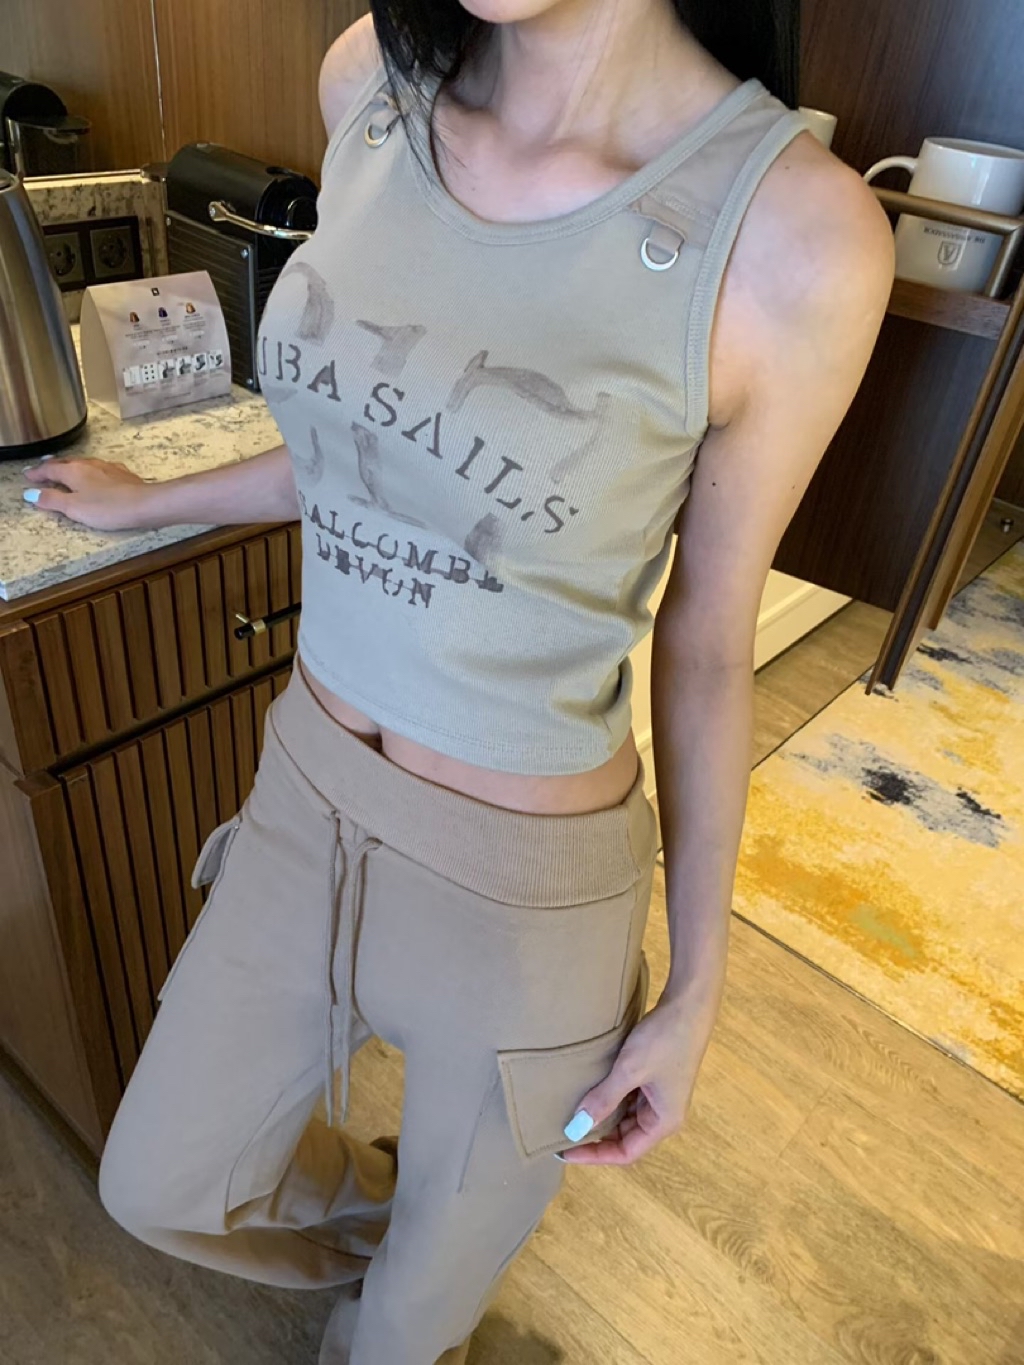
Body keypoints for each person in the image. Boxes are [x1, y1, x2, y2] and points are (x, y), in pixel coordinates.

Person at [22, 2, 894, 1361]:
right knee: (159, 1183)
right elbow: (378, 440)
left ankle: (417, 1288)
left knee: (403, 1333)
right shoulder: (371, 76)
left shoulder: (794, 231)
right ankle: (401, 1220)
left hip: (522, 893)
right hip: (304, 793)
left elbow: (709, 639)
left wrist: (696, 993)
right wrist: (152, 499)